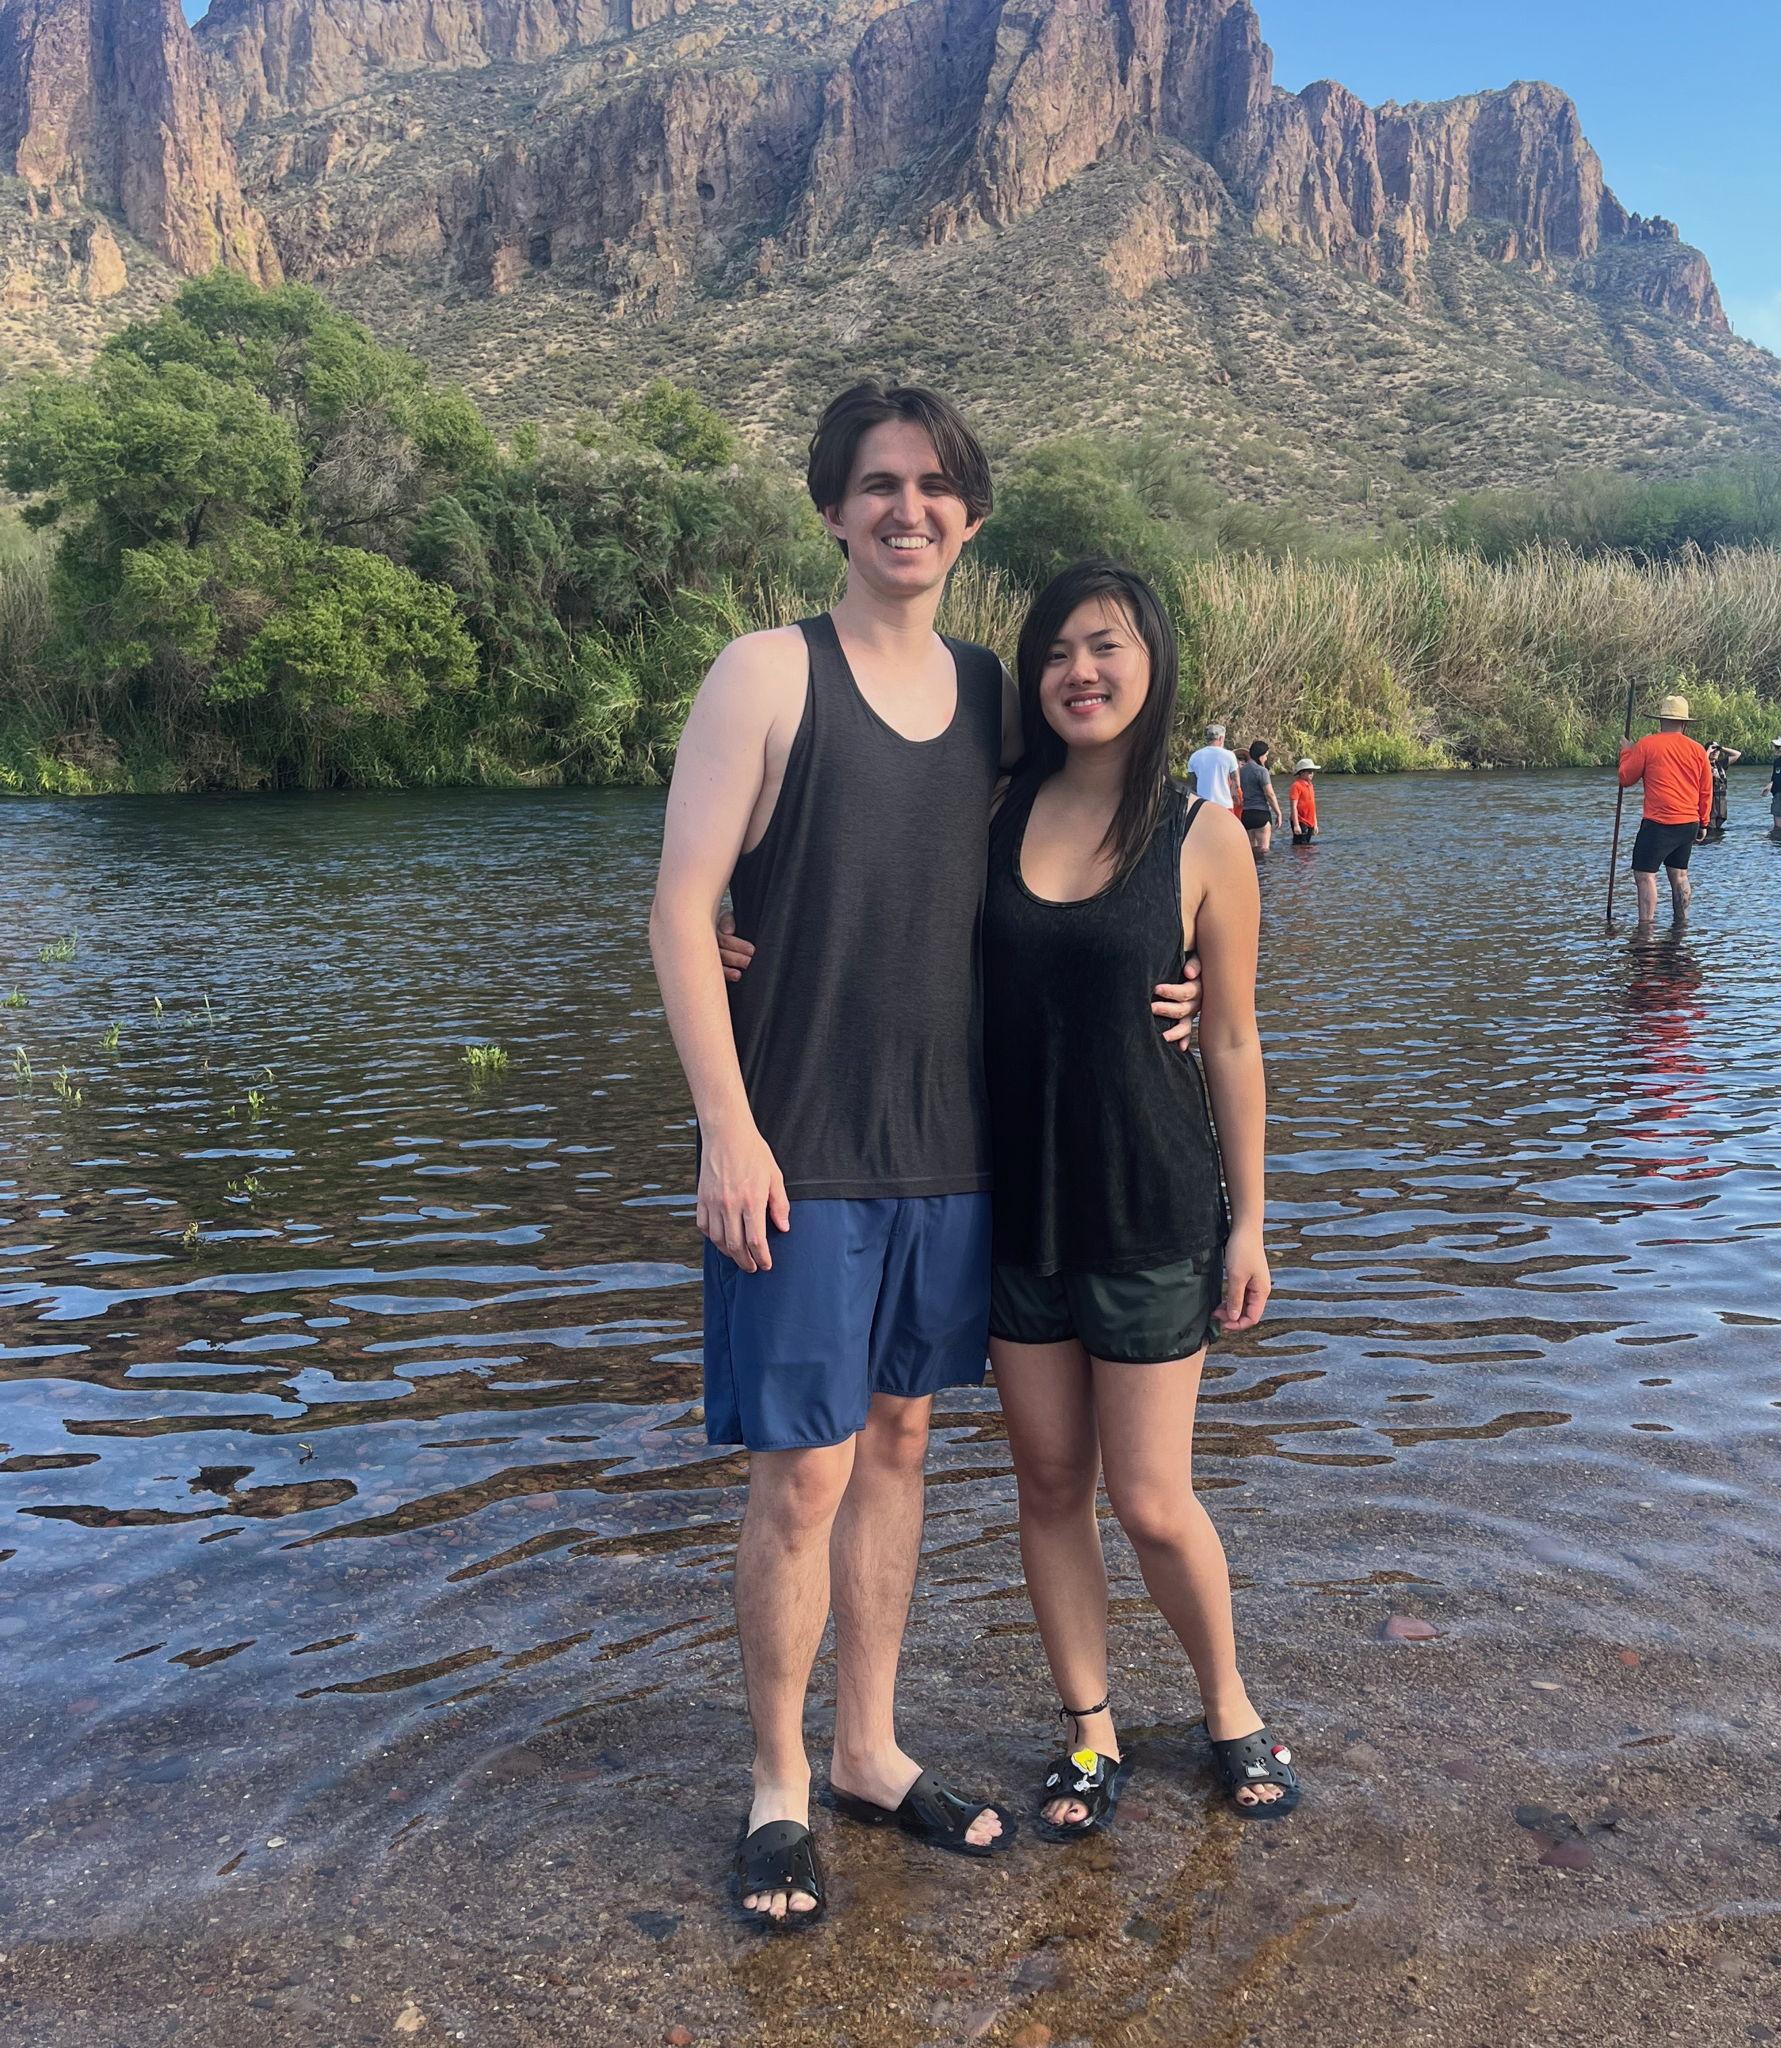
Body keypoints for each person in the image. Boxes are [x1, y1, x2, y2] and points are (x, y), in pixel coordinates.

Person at [648, 383, 1202, 1933]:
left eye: (937, 486)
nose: (909, 508)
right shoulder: (768, 675)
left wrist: (1195, 967)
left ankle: (869, 1750)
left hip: (950, 1154)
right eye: (880, 484)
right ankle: (775, 1783)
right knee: (803, 1472)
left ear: (970, 516)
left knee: (899, 1448)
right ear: (836, 509)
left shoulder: (990, 698)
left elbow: (1123, 802)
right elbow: (684, 912)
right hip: (799, 1148)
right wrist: (726, 1127)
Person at [983, 559, 1298, 1837]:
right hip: (1015, 1203)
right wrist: (752, 942)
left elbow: (1229, 1036)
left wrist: (1250, 1216)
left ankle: (1227, 1703)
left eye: (1104, 646)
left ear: (1150, 662)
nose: (1080, 671)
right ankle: (1089, 1730)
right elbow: (884, 926)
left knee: (1151, 1496)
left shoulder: (1201, 834)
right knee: (1049, 1483)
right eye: (1056, 650)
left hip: (1152, 1196)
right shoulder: (993, 812)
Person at [1618, 693, 1713, 924]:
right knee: (1679, 874)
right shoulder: (1698, 749)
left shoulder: (1647, 745)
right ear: (1684, 723)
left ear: (1661, 720)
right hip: (1688, 822)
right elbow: (1706, 789)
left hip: (1659, 823)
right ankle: (1681, 923)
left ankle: (1646, 927)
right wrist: (1704, 822)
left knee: (1644, 875)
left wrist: (1627, 751)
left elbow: (1625, 778)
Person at [1239, 740, 1279, 853]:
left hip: (1246, 814)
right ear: (1260, 756)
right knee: (1264, 850)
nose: (1266, 759)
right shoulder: (1262, 771)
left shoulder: (1241, 771)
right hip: (1261, 813)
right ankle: (1264, 871)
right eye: (1266, 756)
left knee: (1251, 851)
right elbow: (1269, 794)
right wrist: (1278, 813)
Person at [1187, 722, 1239, 809]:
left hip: (1202, 806)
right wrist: (1235, 797)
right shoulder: (1229, 755)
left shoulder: (1194, 756)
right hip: (1224, 806)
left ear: (1207, 738)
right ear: (1221, 738)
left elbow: (1193, 786)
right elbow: (1236, 782)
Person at [1703, 741, 1741, 835]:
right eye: (1713, 749)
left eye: (1717, 750)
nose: (1715, 752)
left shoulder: (1721, 764)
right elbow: (1699, 763)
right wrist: (1707, 752)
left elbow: (1737, 754)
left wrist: (1722, 748)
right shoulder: (1702, 763)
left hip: (1721, 802)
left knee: (1719, 830)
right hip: (1709, 802)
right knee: (1710, 828)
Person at [1288, 757, 1320, 845]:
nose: (1312, 774)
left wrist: (1315, 824)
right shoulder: (1296, 785)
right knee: (1300, 845)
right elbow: (1293, 807)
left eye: (1313, 771)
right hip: (1300, 820)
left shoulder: (1310, 785)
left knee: (1307, 845)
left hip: (1310, 821)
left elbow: (1312, 806)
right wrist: (1296, 825)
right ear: (1301, 772)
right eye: (1309, 771)